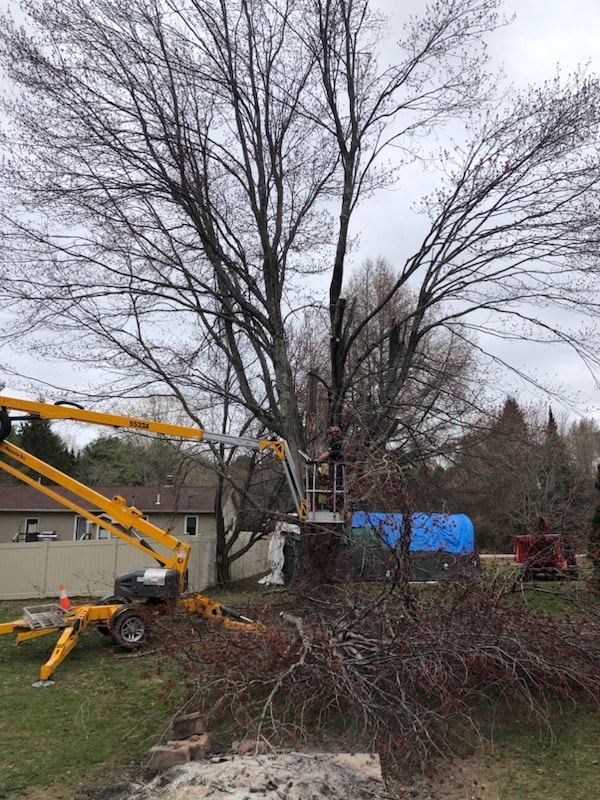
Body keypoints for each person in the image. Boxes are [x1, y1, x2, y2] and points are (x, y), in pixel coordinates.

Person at [317, 426, 345, 506]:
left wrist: (318, 460)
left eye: (331, 434)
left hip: (337, 467)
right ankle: (332, 503)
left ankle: (336, 503)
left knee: (336, 485)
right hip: (333, 466)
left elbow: (328, 453)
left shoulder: (337, 442)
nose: (330, 436)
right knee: (333, 485)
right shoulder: (334, 441)